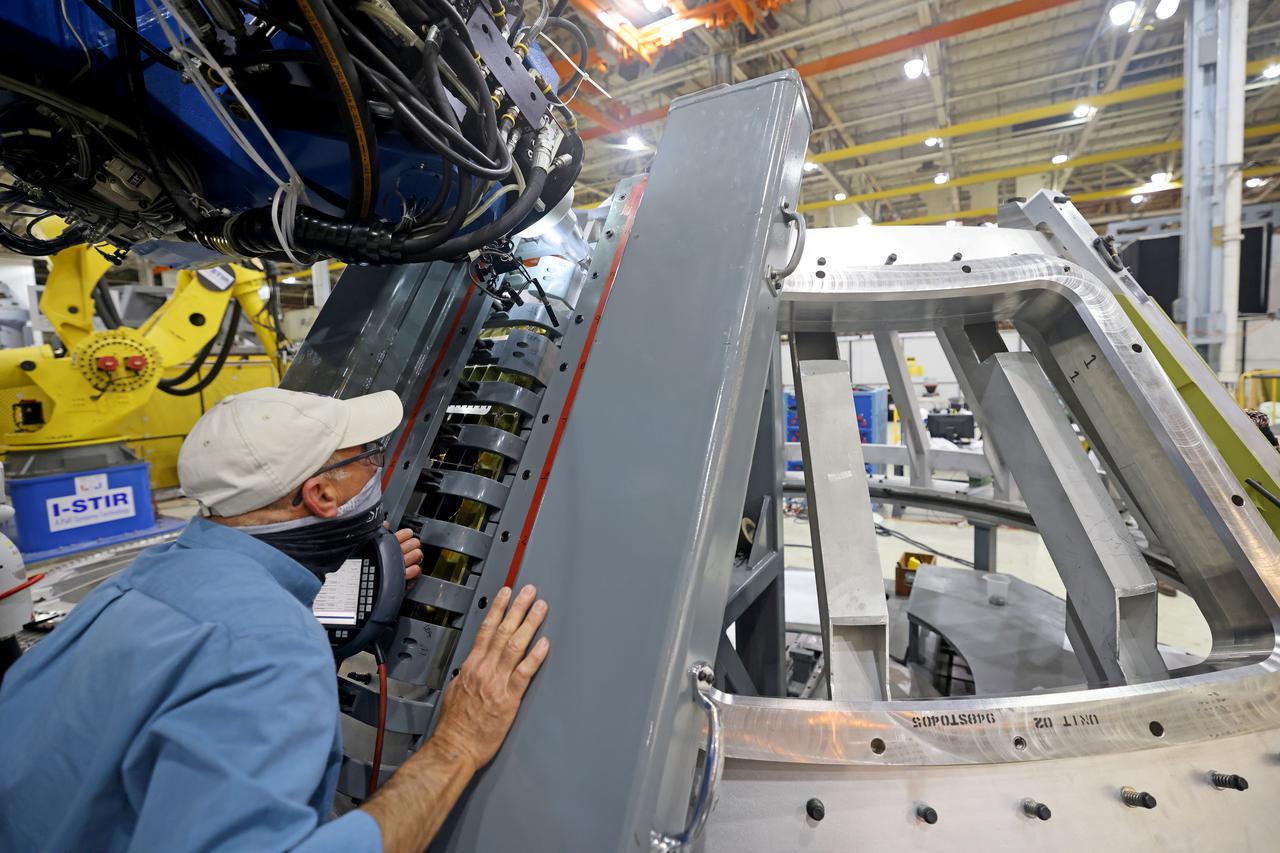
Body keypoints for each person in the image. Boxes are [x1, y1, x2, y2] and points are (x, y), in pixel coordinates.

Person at [0, 387, 550, 852]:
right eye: (367, 455)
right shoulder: (270, 645)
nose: (377, 468)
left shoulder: (138, 584)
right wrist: (457, 744)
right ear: (321, 495)